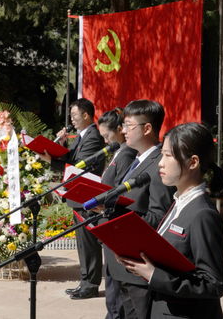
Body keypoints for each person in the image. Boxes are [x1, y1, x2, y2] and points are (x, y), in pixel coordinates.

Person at [117, 122, 223, 319]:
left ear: (193, 162)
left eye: (168, 155)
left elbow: (214, 284)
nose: (160, 163)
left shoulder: (203, 214)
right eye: (162, 154)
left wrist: (153, 275)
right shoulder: (178, 203)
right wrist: (139, 260)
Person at [98, 99, 175, 319]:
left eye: (128, 125)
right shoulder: (136, 160)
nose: (122, 130)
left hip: (140, 267)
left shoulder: (159, 163)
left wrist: (113, 211)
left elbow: (159, 217)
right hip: (122, 263)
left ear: (147, 128)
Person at [38, 98, 105, 299]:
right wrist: (60, 144)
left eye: (75, 116)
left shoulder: (92, 136)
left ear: (86, 115)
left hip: (86, 195)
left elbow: (79, 167)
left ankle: (91, 285)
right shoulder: (82, 135)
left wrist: (52, 162)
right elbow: (71, 158)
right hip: (77, 196)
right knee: (82, 243)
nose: (72, 120)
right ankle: (85, 281)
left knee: (88, 243)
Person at [97, 108, 137, 319]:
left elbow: (121, 190)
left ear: (120, 130)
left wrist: (105, 203)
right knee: (111, 276)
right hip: (108, 218)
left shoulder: (126, 155)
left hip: (115, 220)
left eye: (107, 136)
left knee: (115, 279)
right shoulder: (118, 153)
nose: (105, 141)